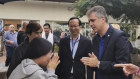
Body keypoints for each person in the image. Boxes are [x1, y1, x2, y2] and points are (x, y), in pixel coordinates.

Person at [80, 6, 131, 79]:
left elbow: (122, 65)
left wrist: (98, 64)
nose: (90, 24)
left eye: (92, 20)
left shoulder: (119, 36)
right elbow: (96, 64)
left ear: (103, 19)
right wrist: (89, 62)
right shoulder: (95, 38)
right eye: (89, 21)